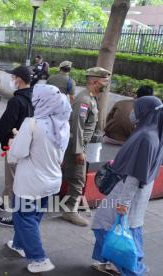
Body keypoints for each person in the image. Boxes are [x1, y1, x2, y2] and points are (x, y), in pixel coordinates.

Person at [91, 96, 163, 276]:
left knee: (106, 224)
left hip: (126, 191)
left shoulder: (145, 137)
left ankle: (123, 267)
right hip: (137, 193)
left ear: (144, 111)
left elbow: (134, 175)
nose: (133, 112)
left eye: (136, 108)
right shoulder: (153, 132)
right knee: (127, 228)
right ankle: (116, 265)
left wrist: (123, 204)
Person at [7, 84, 72, 273]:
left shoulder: (32, 123)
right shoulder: (63, 123)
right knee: (33, 215)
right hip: (51, 180)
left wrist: (17, 137)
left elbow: (17, 153)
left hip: (30, 182)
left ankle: (39, 258)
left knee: (24, 217)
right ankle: (19, 244)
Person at [0, 66, 34, 227]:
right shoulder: (35, 98)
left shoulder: (16, 101)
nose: (12, 80)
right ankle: (5, 201)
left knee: (13, 180)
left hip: (15, 146)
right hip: (30, 146)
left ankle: (14, 217)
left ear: (19, 79)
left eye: (13, 77)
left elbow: (4, 125)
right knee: (15, 178)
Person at [61, 67, 111, 226]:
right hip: (76, 146)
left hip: (80, 145)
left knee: (71, 176)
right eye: (105, 81)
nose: (107, 84)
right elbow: (77, 127)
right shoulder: (84, 100)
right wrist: (78, 151)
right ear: (95, 82)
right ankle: (70, 211)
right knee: (77, 179)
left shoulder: (90, 97)